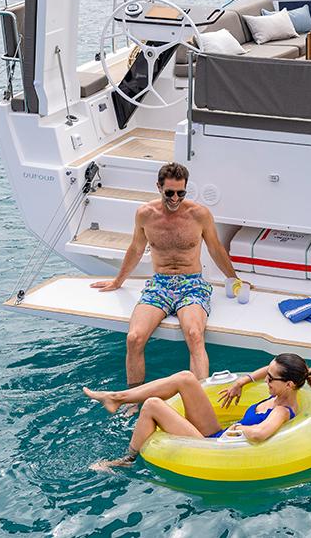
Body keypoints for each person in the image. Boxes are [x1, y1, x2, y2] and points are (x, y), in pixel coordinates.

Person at [90, 162, 242, 387]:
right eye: (170, 193)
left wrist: (235, 279)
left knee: (195, 335)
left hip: (192, 284)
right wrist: (118, 281)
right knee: (133, 338)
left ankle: (200, 398)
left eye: (181, 193)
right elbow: (136, 249)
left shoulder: (199, 215)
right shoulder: (145, 214)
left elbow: (215, 248)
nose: (175, 198)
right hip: (159, 284)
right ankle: (133, 399)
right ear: (159, 187)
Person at [83, 353, 311, 469]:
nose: (265, 380)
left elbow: (260, 434)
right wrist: (242, 381)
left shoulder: (281, 410)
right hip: (217, 434)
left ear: (289, 384)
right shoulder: (281, 390)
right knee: (186, 378)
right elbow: (267, 370)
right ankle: (117, 397)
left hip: (216, 448)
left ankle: (126, 460)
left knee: (153, 405)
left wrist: (241, 428)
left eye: (270, 379)